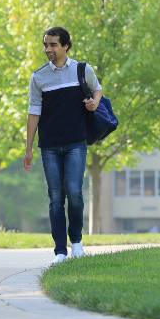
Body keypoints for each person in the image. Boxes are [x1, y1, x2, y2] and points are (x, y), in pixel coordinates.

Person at [23, 26, 102, 265]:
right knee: (56, 197)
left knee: (75, 193)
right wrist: (28, 147)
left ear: (66, 46)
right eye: (46, 45)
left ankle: (76, 241)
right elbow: (33, 111)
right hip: (49, 146)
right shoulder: (38, 77)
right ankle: (60, 250)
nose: (49, 49)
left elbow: (97, 90)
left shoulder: (82, 70)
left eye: (53, 44)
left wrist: (94, 104)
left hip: (76, 143)